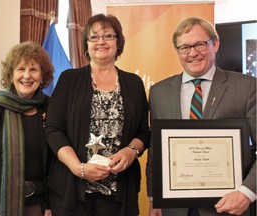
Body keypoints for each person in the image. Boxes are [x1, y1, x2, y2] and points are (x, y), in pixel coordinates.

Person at [146, 17, 256, 216]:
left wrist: (247, 193)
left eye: (199, 44)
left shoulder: (247, 87)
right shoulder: (158, 92)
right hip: (175, 209)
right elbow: (156, 151)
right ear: (177, 51)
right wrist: (155, 198)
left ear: (215, 44)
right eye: (184, 47)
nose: (193, 53)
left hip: (230, 207)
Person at [45, 13, 150, 216]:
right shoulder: (69, 79)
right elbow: (53, 129)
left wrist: (130, 151)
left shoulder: (134, 83)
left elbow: (144, 134)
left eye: (108, 36)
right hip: (72, 190)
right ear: (86, 44)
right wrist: (78, 168)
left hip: (119, 193)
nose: (101, 41)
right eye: (94, 37)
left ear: (118, 42)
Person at [0, 41, 54, 216]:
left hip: (40, 207)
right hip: (0, 206)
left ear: (43, 75)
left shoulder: (50, 107)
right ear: (11, 73)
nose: (27, 76)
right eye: (21, 69)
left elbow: (55, 163)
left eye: (34, 69)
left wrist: (51, 205)